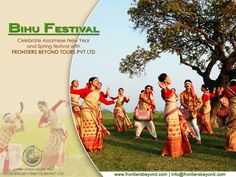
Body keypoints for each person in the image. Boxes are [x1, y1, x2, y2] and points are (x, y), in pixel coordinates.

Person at [70, 77, 115, 152]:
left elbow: (106, 102)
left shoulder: (98, 93)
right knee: (89, 126)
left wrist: (114, 101)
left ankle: (93, 145)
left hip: (93, 111)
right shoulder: (85, 90)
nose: (97, 82)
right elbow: (73, 91)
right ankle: (87, 146)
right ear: (91, 82)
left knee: (95, 127)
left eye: (98, 81)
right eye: (95, 80)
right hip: (85, 110)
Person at [158, 73, 193, 157]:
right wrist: (164, 88)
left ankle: (175, 150)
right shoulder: (164, 90)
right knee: (171, 132)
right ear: (165, 80)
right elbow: (166, 97)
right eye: (168, 77)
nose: (170, 78)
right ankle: (169, 151)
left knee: (177, 131)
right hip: (170, 112)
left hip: (174, 111)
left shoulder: (168, 89)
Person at [38, 100, 67, 169]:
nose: (40, 109)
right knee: (49, 148)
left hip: (61, 131)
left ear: (45, 106)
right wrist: (41, 125)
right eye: (39, 108)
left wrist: (66, 101)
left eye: (41, 107)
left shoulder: (52, 110)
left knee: (58, 148)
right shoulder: (43, 116)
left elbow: (59, 101)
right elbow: (39, 124)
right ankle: (45, 164)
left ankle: (53, 165)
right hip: (53, 132)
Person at [180, 80, 203, 144]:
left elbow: (201, 102)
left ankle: (199, 139)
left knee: (194, 125)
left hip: (193, 111)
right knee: (186, 126)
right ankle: (185, 139)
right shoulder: (182, 93)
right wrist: (188, 107)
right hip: (186, 111)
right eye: (186, 84)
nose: (187, 85)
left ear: (191, 85)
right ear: (184, 85)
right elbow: (182, 102)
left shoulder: (194, 94)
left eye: (189, 84)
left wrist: (196, 108)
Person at [218, 79, 236, 152]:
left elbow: (220, 96)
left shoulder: (226, 89)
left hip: (232, 110)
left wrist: (219, 92)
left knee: (230, 127)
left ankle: (230, 146)